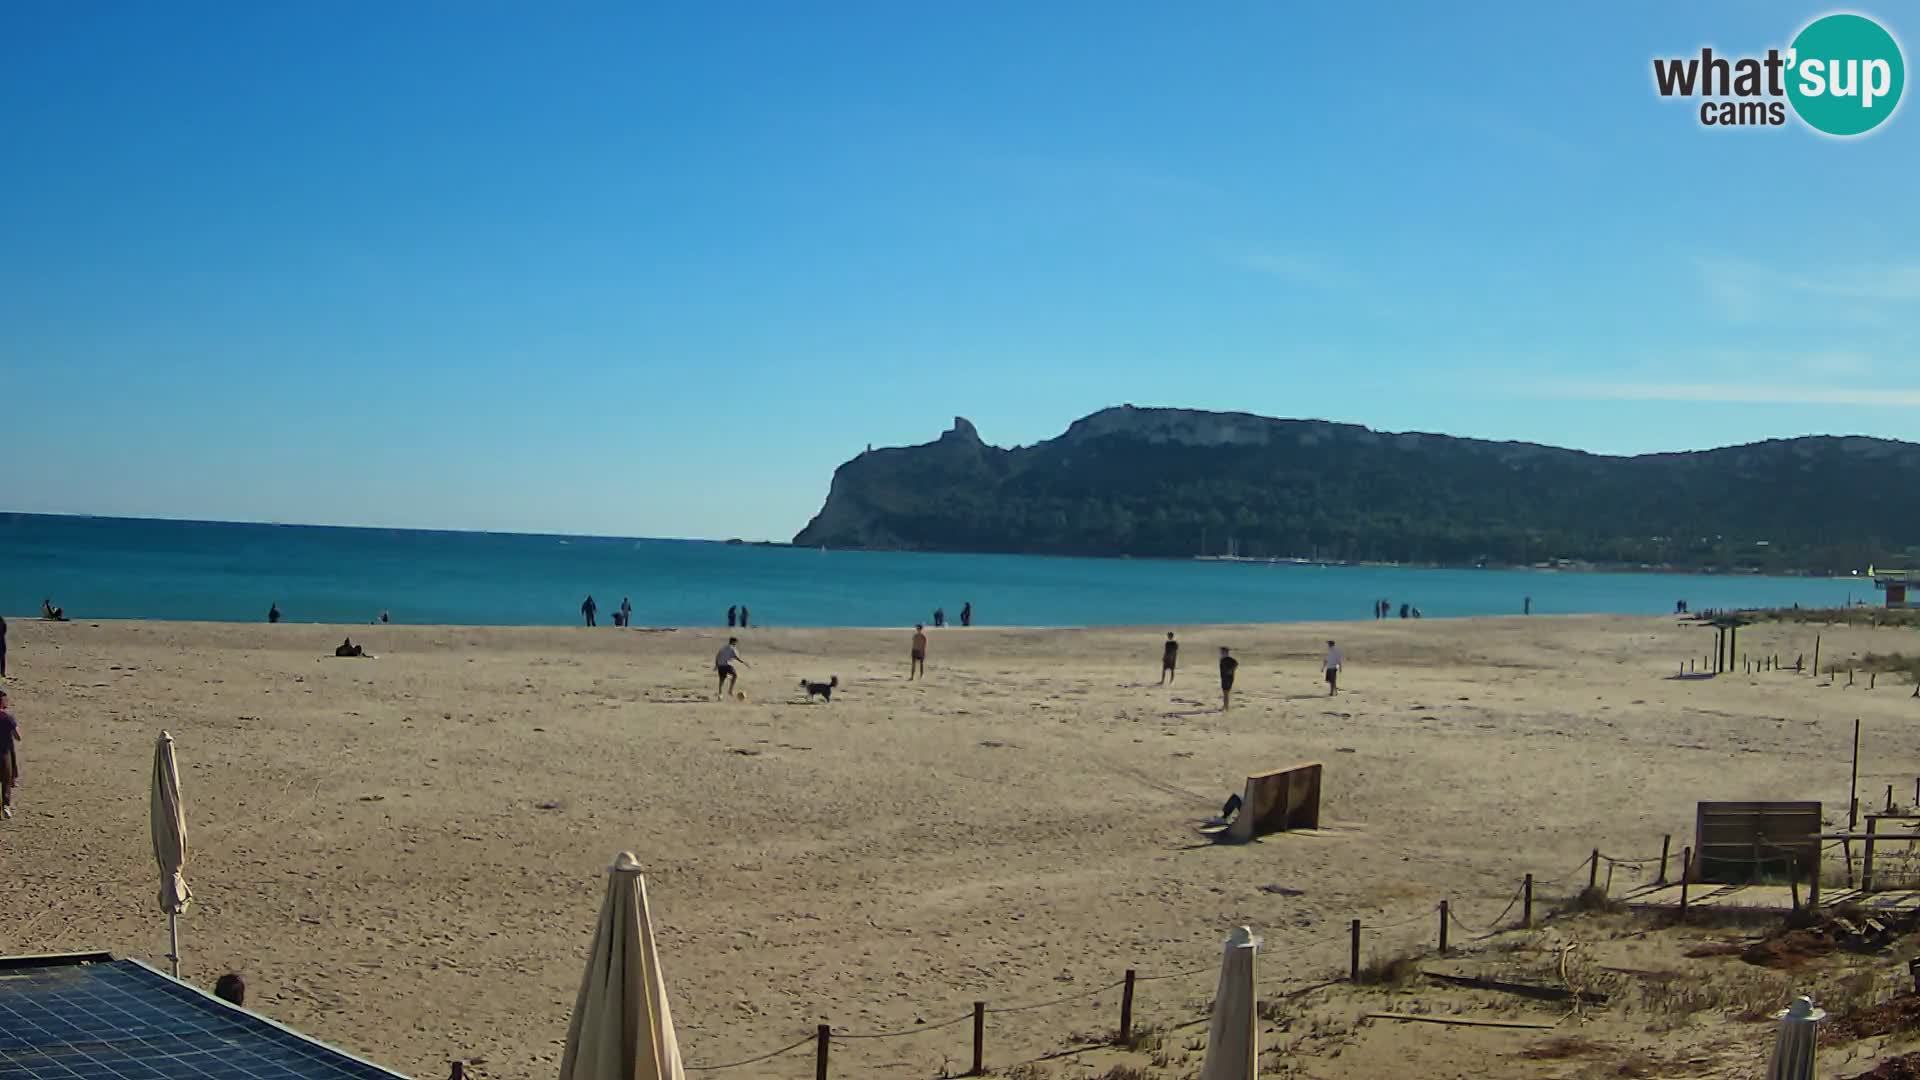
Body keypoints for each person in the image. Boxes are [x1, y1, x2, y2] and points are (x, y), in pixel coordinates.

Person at [0, 689, 18, 818]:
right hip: (4, 751)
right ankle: (5, 806)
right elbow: (18, 736)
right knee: (6, 780)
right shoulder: (7, 718)